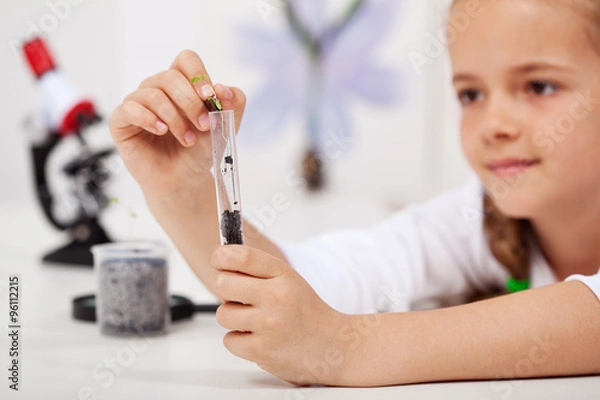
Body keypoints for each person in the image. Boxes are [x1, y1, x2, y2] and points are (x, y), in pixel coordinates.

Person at [109, 0, 600, 387]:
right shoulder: (482, 217)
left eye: (538, 85)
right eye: (471, 94)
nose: (493, 124)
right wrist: (184, 196)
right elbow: (309, 288)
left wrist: (346, 349)